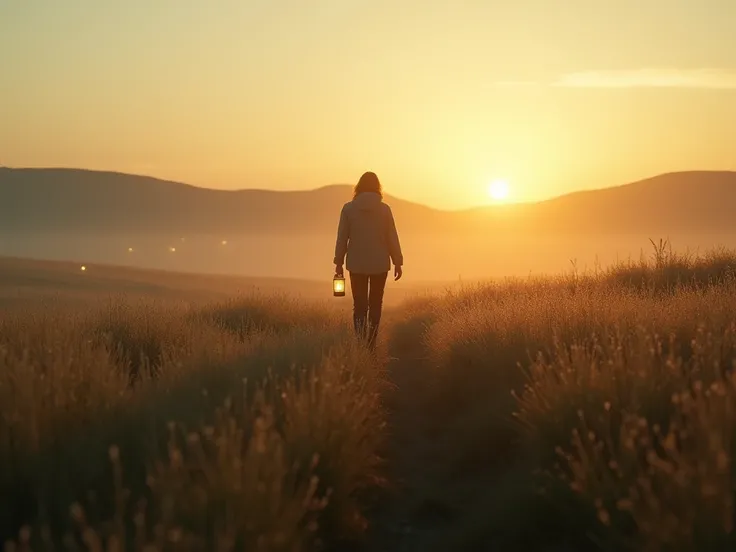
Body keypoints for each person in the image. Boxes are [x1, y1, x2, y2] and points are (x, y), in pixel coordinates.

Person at [334, 171, 403, 351]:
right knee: (375, 304)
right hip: (380, 264)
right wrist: (398, 261)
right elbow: (391, 237)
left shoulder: (348, 209)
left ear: (358, 187)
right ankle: (371, 344)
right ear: (377, 188)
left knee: (359, 306)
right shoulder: (384, 209)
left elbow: (342, 238)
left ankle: (360, 344)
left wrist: (338, 262)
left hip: (356, 264)